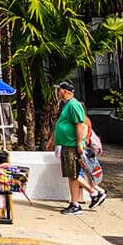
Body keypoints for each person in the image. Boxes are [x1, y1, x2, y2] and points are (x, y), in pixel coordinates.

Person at [52, 80, 88, 215]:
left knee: (73, 174)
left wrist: (79, 143)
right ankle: (74, 202)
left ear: (65, 91)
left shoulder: (73, 105)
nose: (58, 92)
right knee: (71, 175)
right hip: (67, 144)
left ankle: (76, 203)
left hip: (72, 145)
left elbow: (79, 124)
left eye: (59, 89)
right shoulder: (67, 105)